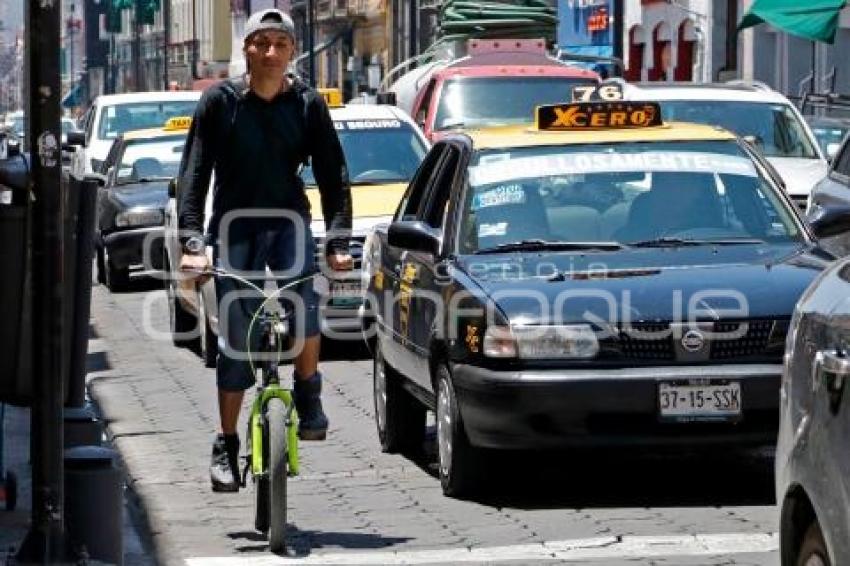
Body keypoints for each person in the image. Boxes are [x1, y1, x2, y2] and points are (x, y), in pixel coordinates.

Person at [177, 8, 353, 492]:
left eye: (280, 43)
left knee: (306, 304)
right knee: (236, 338)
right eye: (261, 43)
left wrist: (338, 242)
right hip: (235, 228)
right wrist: (192, 244)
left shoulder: (307, 105)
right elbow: (194, 175)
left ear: (292, 50)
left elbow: (334, 176)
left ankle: (308, 393)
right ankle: (226, 443)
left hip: (287, 222)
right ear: (247, 50)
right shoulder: (219, 102)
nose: (271, 52)